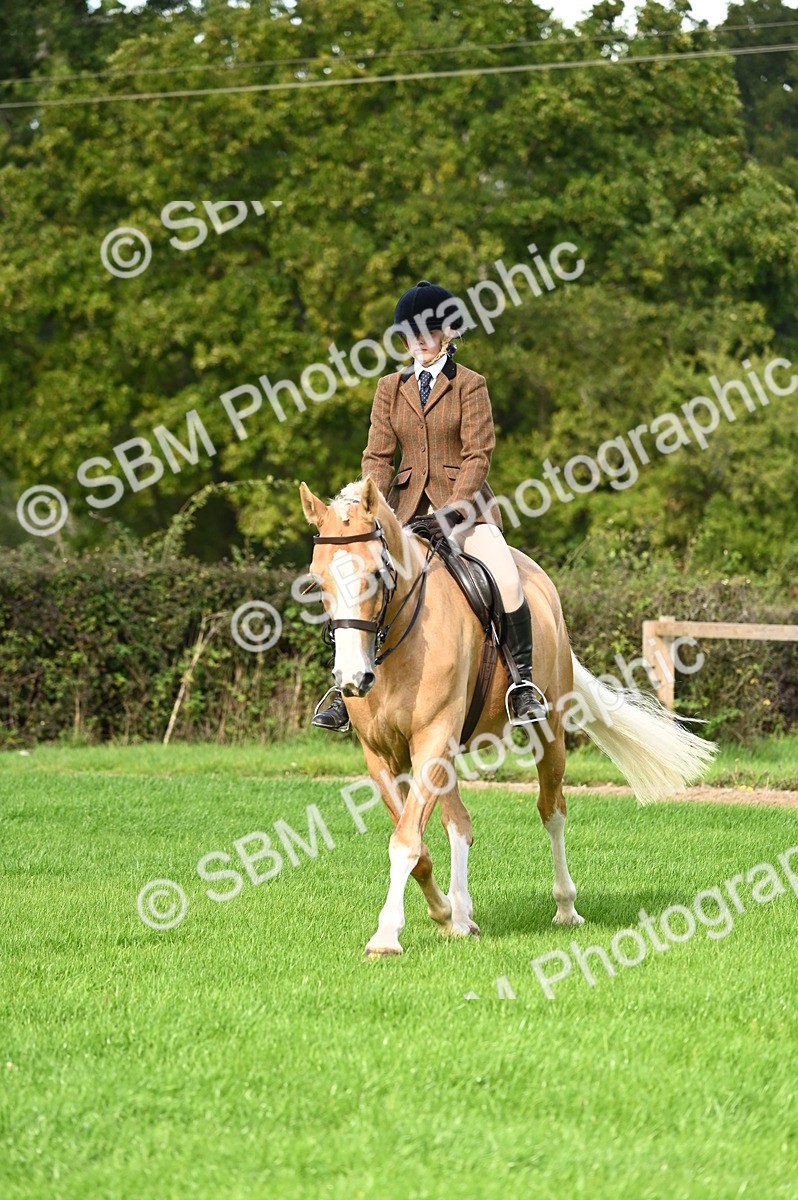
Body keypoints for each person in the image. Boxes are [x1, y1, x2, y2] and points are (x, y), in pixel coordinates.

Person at [312, 279, 548, 732]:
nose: (419, 340)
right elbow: (378, 456)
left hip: (465, 511)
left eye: (429, 331)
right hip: (403, 512)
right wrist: (368, 503)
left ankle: (522, 684)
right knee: (354, 579)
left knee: (506, 578)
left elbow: (478, 453)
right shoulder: (389, 387)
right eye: (411, 332)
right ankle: (345, 692)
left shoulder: (470, 385)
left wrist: (457, 507)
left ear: (447, 334)